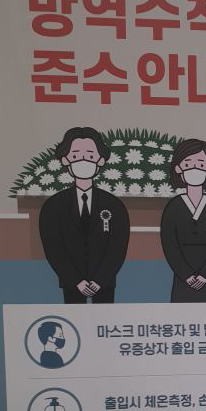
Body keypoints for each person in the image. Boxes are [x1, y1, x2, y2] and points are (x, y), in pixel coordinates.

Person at [38, 127, 130, 304]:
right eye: (75, 156)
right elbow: (54, 249)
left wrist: (100, 280)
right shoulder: (53, 206)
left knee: (105, 319)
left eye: (89, 156)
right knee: (72, 319)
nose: (83, 161)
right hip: (70, 283)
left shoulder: (114, 205)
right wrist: (76, 281)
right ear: (65, 160)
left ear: (100, 160)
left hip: (105, 283)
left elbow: (117, 248)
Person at [160, 139, 206, 302]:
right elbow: (170, 245)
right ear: (178, 168)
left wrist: (205, 275)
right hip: (182, 280)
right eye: (187, 164)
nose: (194, 169)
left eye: (200, 164)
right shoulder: (173, 207)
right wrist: (186, 275)